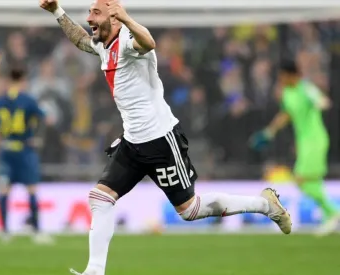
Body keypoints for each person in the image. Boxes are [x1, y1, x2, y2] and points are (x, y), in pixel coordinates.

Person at [39, 1, 292, 275]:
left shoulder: (128, 41)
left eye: (95, 12)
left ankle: (266, 205)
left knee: (190, 210)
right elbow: (81, 40)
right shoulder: (103, 44)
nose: (89, 17)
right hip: (133, 142)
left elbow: (149, 42)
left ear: (114, 17)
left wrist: (125, 17)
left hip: (161, 141)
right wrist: (57, 11)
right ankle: (95, 271)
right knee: (100, 198)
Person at [251, 59, 339, 236]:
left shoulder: (305, 88)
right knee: (310, 182)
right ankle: (330, 216)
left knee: (301, 179)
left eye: (283, 75)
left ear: (291, 75)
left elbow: (322, 101)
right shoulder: (288, 93)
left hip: (315, 140)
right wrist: (269, 132)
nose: (281, 79)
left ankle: (333, 213)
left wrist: (320, 101)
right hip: (305, 142)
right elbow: (286, 114)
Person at [0, 66, 53, 244]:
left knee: (4, 190)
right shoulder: (29, 100)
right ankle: (37, 231)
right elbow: (46, 119)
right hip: (25, 150)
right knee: (32, 189)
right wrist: (37, 137)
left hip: (6, 150)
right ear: (23, 81)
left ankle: (4, 232)